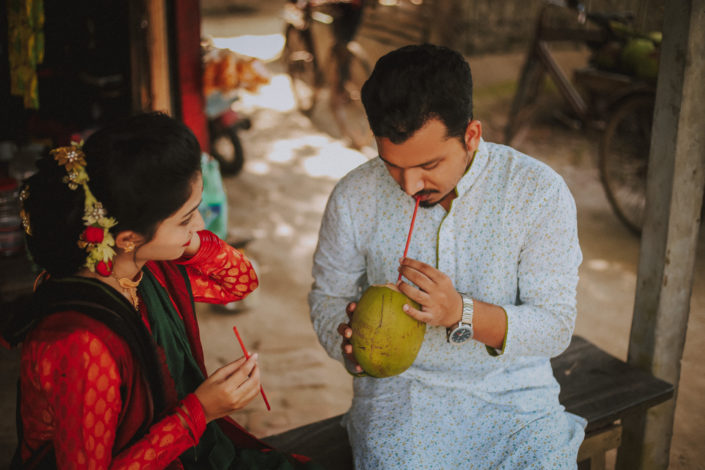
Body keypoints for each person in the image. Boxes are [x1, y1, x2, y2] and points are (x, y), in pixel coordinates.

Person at [308, 44, 585, 468]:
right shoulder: (354, 196)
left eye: (429, 164)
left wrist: (460, 312)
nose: (408, 185)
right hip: (401, 397)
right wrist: (350, 345)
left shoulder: (537, 193)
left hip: (515, 396)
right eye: (391, 165)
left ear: (471, 135)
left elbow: (555, 326)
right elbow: (328, 297)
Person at [3, 113, 319, 469]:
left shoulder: (147, 268)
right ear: (126, 238)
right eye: (186, 218)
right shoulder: (80, 343)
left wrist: (189, 242)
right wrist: (199, 412)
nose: (199, 225)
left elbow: (240, 282)